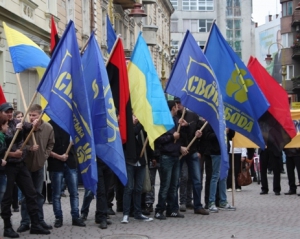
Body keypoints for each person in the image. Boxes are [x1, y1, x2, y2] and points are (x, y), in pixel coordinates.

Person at [0, 102, 51, 237]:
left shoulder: (18, 121)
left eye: (11, 111)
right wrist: (12, 153)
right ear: (1, 113)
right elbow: (3, 146)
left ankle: (35, 224)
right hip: (7, 167)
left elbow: (33, 127)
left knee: (31, 193)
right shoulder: (2, 127)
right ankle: (7, 227)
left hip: (21, 165)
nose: (10, 114)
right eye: (7, 112)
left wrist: (35, 122)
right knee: (7, 197)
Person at [18, 104, 54, 233]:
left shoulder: (48, 128)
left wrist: (44, 156)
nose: (32, 118)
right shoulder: (24, 128)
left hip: (39, 165)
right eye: (30, 115)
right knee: (26, 195)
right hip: (25, 166)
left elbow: (51, 144)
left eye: (34, 115)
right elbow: (18, 144)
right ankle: (25, 222)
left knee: (38, 194)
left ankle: (39, 220)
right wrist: (28, 148)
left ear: (40, 115)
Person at [154, 100, 189, 220]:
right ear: (172, 108)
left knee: (174, 185)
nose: (178, 108)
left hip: (175, 156)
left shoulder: (176, 120)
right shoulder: (163, 121)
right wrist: (171, 137)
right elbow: (159, 139)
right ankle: (159, 210)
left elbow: (180, 138)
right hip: (166, 156)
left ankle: (172, 209)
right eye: (176, 106)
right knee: (165, 185)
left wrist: (184, 127)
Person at [174, 98, 209, 215]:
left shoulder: (193, 116)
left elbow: (199, 131)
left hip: (192, 150)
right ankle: (174, 206)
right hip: (178, 152)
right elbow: (172, 135)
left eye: (180, 102)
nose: (178, 105)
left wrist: (197, 132)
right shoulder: (173, 116)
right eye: (176, 103)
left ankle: (198, 205)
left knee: (197, 180)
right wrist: (179, 147)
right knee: (176, 180)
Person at [48, 120, 86, 228]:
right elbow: (45, 148)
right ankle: (58, 218)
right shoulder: (49, 125)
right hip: (56, 164)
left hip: (70, 163)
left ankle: (75, 217)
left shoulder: (71, 124)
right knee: (56, 194)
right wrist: (59, 156)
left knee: (74, 192)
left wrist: (76, 141)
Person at [121, 115, 153, 223]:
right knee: (129, 188)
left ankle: (138, 213)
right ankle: (126, 214)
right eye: (133, 116)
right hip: (130, 161)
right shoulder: (127, 129)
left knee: (139, 189)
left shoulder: (141, 129)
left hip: (141, 162)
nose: (135, 118)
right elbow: (133, 132)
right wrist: (141, 123)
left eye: (137, 116)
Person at [202, 124, 236, 213]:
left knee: (224, 176)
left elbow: (232, 135)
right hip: (215, 151)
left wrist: (230, 129)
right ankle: (211, 202)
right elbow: (208, 136)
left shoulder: (225, 121)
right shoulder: (212, 121)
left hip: (224, 151)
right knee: (215, 176)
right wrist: (222, 132)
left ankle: (223, 201)